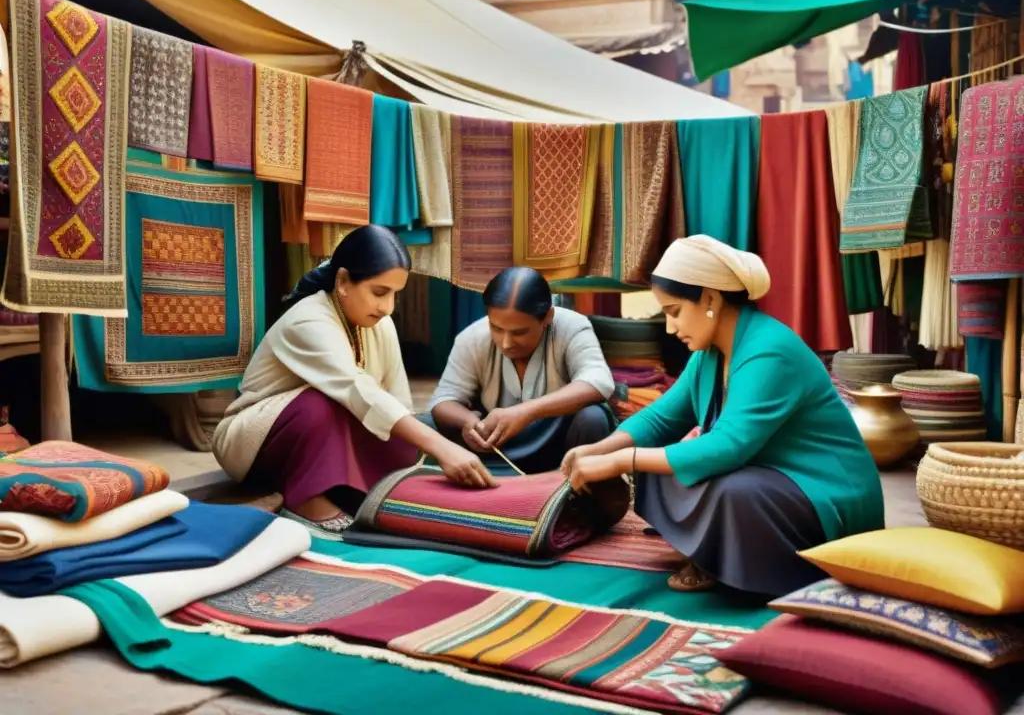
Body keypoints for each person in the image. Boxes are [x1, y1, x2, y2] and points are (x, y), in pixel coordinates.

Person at [561, 235, 884, 597]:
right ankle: (715, 548)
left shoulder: (769, 351)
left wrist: (621, 460)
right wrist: (601, 449)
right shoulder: (709, 352)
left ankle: (732, 559)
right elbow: (661, 419)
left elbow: (729, 447)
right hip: (768, 478)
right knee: (658, 459)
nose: (670, 327)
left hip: (825, 494)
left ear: (710, 299)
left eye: (674, 311)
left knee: (731, 491)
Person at [212, 225, 495, 537]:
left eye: (394, 295)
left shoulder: (380, 324)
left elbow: (395, 400)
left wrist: (416, 451)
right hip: (251, 443)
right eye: (379, 292)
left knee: (404, 439)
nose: (387, 307)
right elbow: (354, 388)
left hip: (326, 436)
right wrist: (443, 448)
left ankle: (348, 487)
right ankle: (308, 499)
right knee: (322, 402)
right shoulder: (306, 319)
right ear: (344, 281)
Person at [429, 267, 616, 474]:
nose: (506, 343)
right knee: (427, 427)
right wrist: (469, 423)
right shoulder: (472, 338)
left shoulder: (572, 326)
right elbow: (443, 400)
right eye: (497, 328)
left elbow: (599, 382)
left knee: (593, 419)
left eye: (519, 332)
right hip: (495, 447)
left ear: (547, 317)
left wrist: (525, 412)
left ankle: (578, 500)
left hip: (560, 448)